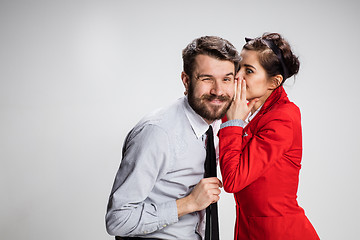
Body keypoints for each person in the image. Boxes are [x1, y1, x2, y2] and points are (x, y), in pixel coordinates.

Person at [106, 36, 240, 239]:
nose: (218, 91)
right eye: (206, 79)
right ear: (186, 81)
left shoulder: (216, 125)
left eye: (226, 79)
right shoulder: (158, 133)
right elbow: (118, 220)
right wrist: (189, 203)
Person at [218, 33, 320, 240]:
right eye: (239, 67)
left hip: (280, 234)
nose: (237, 77)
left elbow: (233, 180)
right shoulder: (250, 108)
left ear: (274, 82)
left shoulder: (283, 118)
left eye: (249, 71)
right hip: (249, 230)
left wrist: (232, 123)